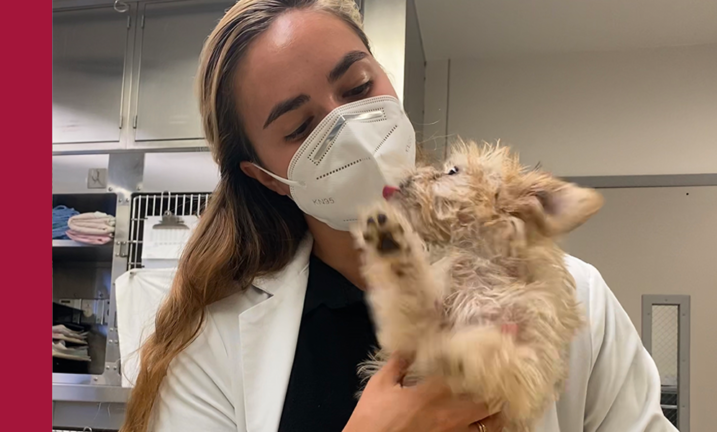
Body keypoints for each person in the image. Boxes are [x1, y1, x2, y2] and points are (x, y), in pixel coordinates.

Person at [121, 1, 678, 431]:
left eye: (359, 87)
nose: (350, 131)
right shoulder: (208, 346)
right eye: (299, 128)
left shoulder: (574, 294)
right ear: (267, 176)